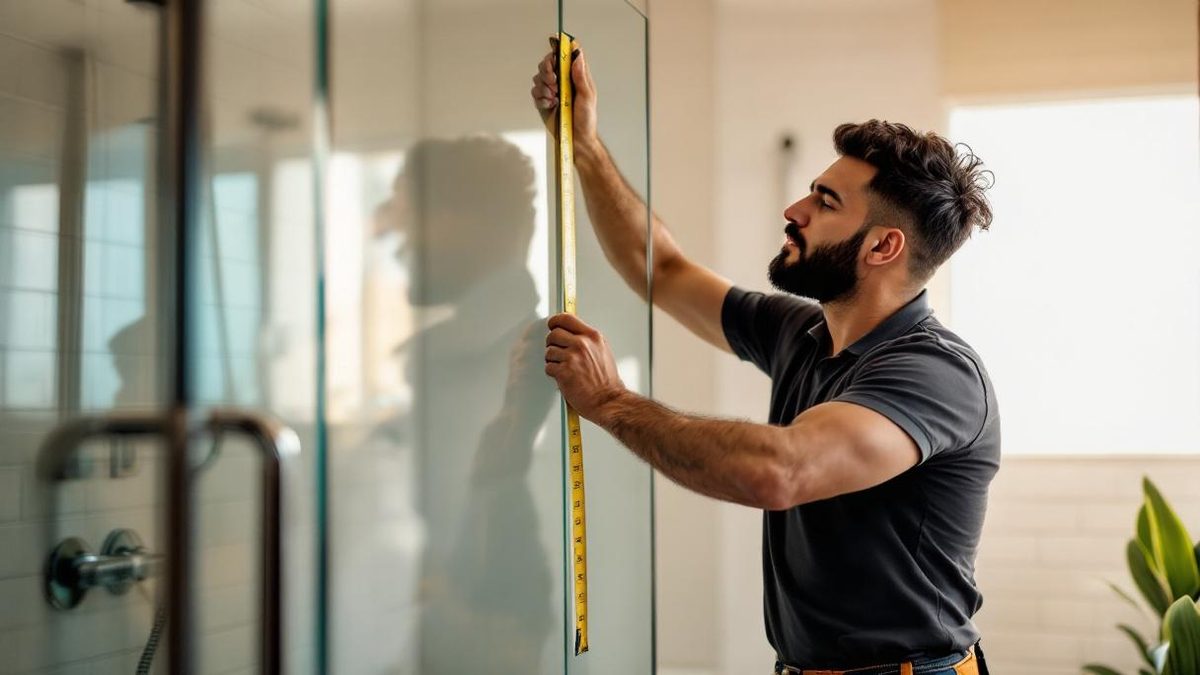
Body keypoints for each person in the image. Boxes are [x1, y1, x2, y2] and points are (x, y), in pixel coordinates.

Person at [530, 40, 999, 675]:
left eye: (826, 203)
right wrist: (583, 145)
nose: (795, 210)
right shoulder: (803, 332)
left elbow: (779, 472)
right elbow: (662, 271)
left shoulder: (935, 373)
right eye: (811, 191)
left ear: (884, 246)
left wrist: (611, 402)